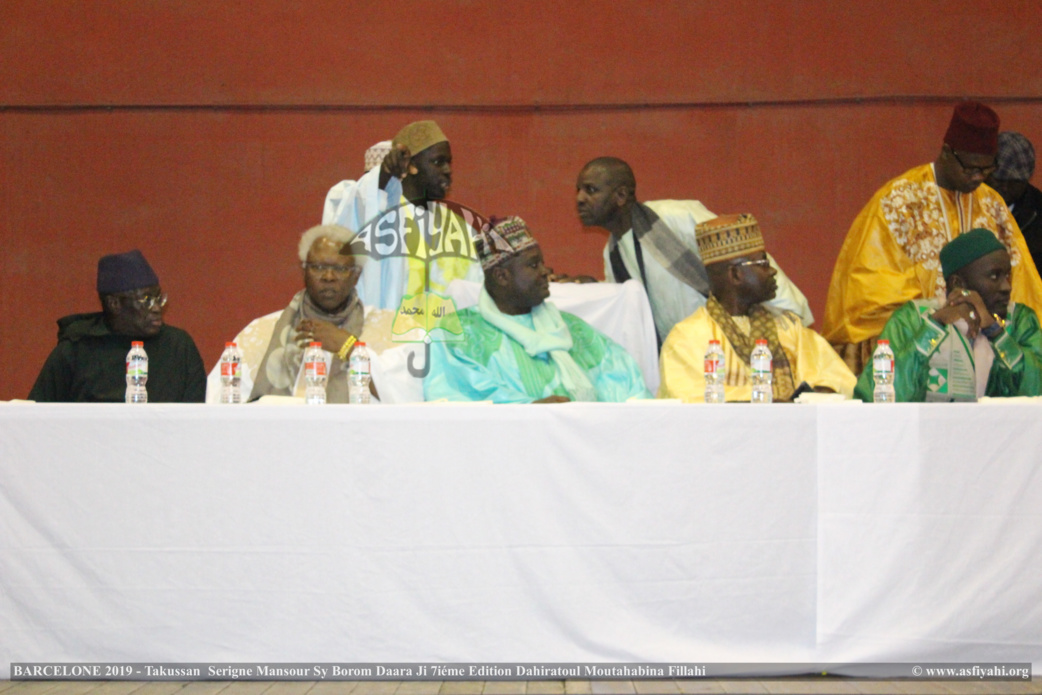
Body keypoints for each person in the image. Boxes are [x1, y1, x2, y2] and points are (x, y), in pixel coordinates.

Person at [822, 101, 1042, 374]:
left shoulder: (993, 204)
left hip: (988, 344)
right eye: (971, 168)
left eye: (986, 170)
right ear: (948, 152)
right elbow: (868, 293)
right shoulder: (899, 200)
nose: (978, 178)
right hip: (918, 344)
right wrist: (944, 314)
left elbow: (1023, 284)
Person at [573, 156, 813, 344]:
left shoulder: (674, 217)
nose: (580, 199)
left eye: (590, 190)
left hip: (737, 344)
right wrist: (592, 289)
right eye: (578, 191)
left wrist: (791, 316)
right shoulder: (612, 252)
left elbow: (746, 259)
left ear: (621, 195)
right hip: (687, 357)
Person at [424, 216, 651, 403]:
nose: (545, 272)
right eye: (533, 265)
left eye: (542, 263)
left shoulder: (570, 327)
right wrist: (531, 409)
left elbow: (630, 389)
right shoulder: (458, 333)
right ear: (502, 276)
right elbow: (452, 397)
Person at [659, 214, 855, 402]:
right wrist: (768, 402)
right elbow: (689, 400)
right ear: (735, 274)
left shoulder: (788, 327)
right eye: (762, 263)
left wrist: (822, 392)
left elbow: (838, 379)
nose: (772, 271)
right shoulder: (687, 338)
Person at [855, 229, 1042, 402]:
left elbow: (1036, 388)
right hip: (927, 434)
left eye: (1007, 276)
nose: (1006, 287)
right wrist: (934, 326)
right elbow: (876, 396)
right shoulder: (912, 319)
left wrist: (995, 332)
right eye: (994, 276)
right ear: (957, 283)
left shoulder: (1020, 321)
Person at [322, 121, 482, 311]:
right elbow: (356, 209)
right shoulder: (384, 215)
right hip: (390, 335)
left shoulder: (459, 226)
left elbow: (477, 287)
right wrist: (382, 176)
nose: (448, 170)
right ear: (411, 166)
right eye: (438, 162)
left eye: (449, 162)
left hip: (449, 337)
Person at [29, 249, 206, 402]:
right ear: (114, 304)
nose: (157, 308)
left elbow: (196, 417)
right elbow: (37, 416)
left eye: (158, 298)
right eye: (146, 300)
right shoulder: (76, 350)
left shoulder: (179, 347)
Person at [244, 225, 385, 403]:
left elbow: (402, 400)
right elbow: (223, 405)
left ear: (356, 275)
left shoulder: (386, 329)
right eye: (318, 267)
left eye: (340, 269)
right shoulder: (259, 332)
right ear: (304, 271)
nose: (328, 277)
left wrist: (349, 347)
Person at [987, 132, 1042, 270]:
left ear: (1026, 180)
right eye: (998, 179)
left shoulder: (1038, 212)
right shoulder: (964, 204)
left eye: (1014, 182)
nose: (1004, 187)